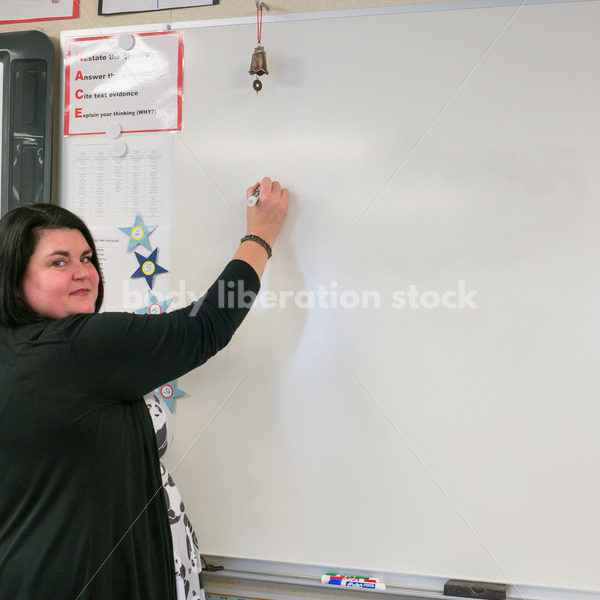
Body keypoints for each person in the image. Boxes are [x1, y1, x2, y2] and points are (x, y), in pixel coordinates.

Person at [0, 177, 288, 599]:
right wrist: (260, 236)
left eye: (86, 257)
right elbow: (206, 325)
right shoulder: (81, 346)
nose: (83, 272)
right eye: (58, 262)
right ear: (14, 276)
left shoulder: (16, 349)